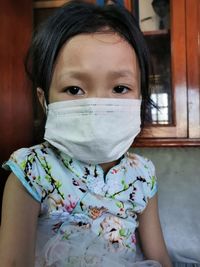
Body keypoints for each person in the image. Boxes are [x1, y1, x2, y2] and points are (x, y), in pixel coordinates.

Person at [0, 1, 172, 266]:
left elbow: (159, 258)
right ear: (44, 100)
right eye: (74, 89)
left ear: (141, 96)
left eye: (119, 88)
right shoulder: (30, 172)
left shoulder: (143, 175)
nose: (97, 106)